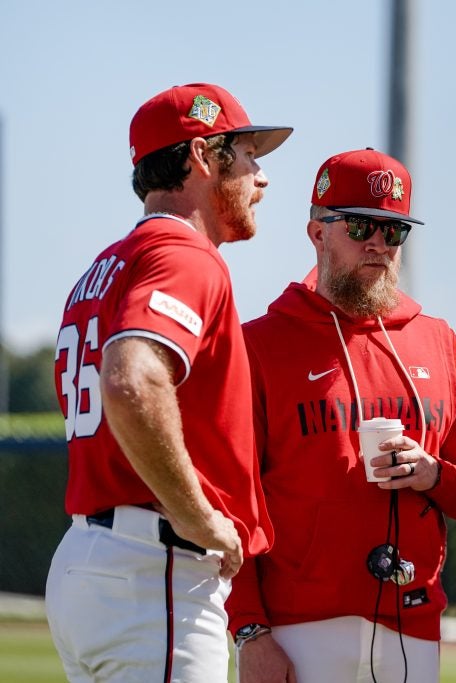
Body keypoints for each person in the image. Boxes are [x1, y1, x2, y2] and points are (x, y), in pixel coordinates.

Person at [226, 148, 456, 683]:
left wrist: (435, 475)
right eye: (360, 226)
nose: (378, 242)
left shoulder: (439, 341)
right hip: (297, 628)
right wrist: (249, 631)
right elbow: (231, 501)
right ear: (317, 233)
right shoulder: (259, 345)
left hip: (412, 622)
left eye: (393, 230)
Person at [46, 82, 292, 681]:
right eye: (248, 154)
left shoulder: (106, 265)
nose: (262, 176)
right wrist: (200, 518)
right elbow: (131, 382)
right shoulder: (186, 255)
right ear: (204, 157)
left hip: (95, 559)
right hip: (151, 566)